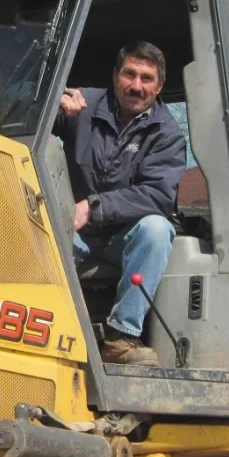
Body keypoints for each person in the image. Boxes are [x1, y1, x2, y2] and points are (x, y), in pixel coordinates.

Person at [54, 40, 186, 366]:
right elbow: (26, 115)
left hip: (120, 237)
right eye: (130, 74)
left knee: (157, 229)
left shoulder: (168, 134)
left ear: (160, 87)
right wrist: (55, 107)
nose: (136, 86)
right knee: (36, 237)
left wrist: (92, 207)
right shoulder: (83, 106)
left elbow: (156, 194)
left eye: (146, 78)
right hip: (74, 230)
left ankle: (121, 339)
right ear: (115, 76)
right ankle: (53, 333)